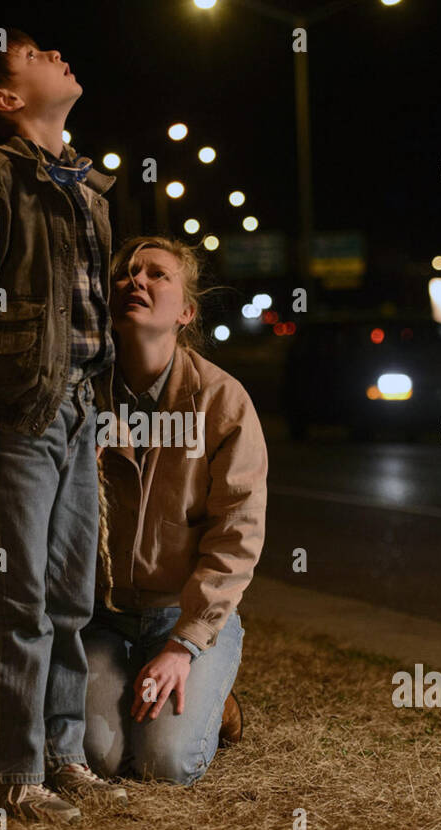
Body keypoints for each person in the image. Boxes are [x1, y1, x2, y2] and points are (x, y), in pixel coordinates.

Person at [0, 28, 127, 822]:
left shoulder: (84, 187)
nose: (59, 57)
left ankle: (62, 750)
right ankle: (6, 772)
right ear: (6, 99)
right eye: (37, 55)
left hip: (75, 407)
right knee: (20, 597)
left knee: (73, 593)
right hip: (18, 414)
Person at [83, 236, 268, 785]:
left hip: (180, 615)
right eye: (126, 273)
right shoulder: (80, 395)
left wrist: (186, 643)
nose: (136, 281)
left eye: (157, 275)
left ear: (186, 311)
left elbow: (239, 530)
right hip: (103, 616)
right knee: (99, 760)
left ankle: (219, 695)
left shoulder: (221, 400)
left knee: (166, 766)